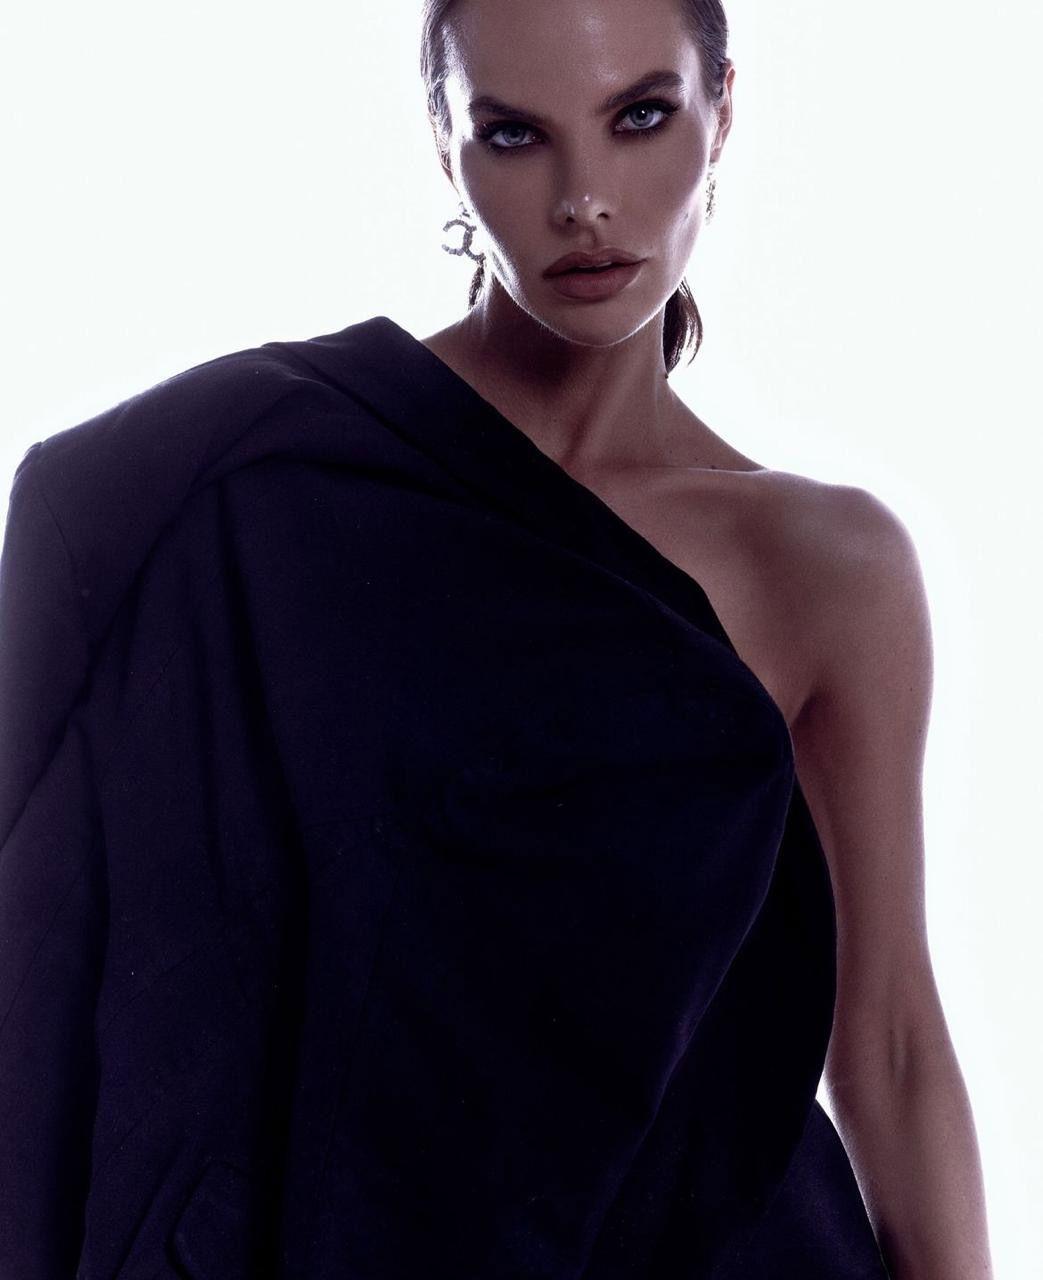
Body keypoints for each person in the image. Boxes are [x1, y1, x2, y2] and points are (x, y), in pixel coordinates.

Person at [0, 0, 994, 1276]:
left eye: (640, 116)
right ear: (443, 144)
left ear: (721, 112)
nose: (584, 200)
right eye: (515, 134)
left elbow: (891, 1043)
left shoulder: (823, 566)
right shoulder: (241, 479)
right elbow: (84, 965)